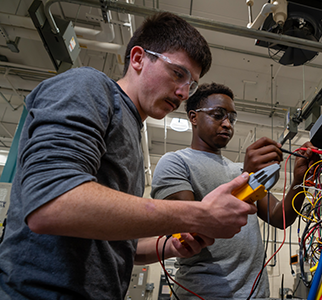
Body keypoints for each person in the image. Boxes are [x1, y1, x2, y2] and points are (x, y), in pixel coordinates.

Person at [0, 13, 258, 299]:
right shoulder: (89, 86)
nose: (184, 92)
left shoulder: (131, 132)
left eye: (192, 84)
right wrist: (198, 215)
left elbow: (116, 244)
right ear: (138, 58)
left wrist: (167, 247)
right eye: (177, 73)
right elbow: (52, 204)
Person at [151, 82, 318, 299]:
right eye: (218, 115)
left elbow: (280, 217)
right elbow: (187, 231)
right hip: (203, 294)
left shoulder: (240, 170)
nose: (227, 124)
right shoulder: (175, 162)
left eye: (232, 117)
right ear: (193, 117)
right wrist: (245, 182)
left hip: (256, 295)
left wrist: (299, 180)